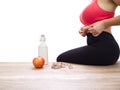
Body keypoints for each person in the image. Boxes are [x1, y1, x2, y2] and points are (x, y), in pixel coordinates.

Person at [56, 0, 120, 65]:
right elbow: (98, 22)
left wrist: (104, 24)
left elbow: (102, 24)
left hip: (106, 49)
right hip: (96, 46)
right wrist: (88, 28)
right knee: (62, 60)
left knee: (61, 59)